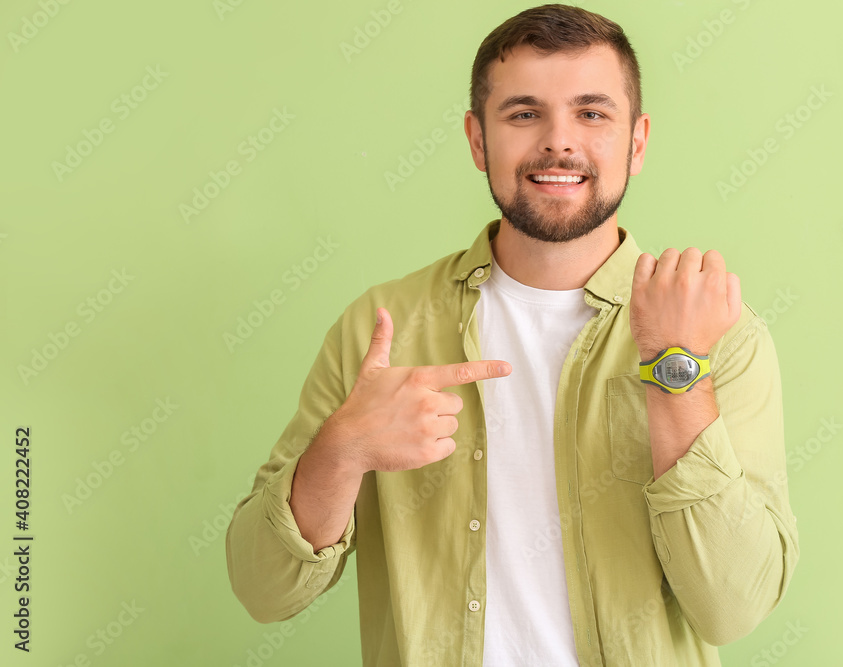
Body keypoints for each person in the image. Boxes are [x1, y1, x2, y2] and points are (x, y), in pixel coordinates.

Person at [225, 4, 799, 666]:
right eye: (524, 114)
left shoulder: (717, 332)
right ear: (478, 140)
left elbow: (733, 605)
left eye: (592, 113)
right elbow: (262, 588)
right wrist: (343, 450)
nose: (559, 141)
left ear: (637, 141)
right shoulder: (381, 327)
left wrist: (676, 367)